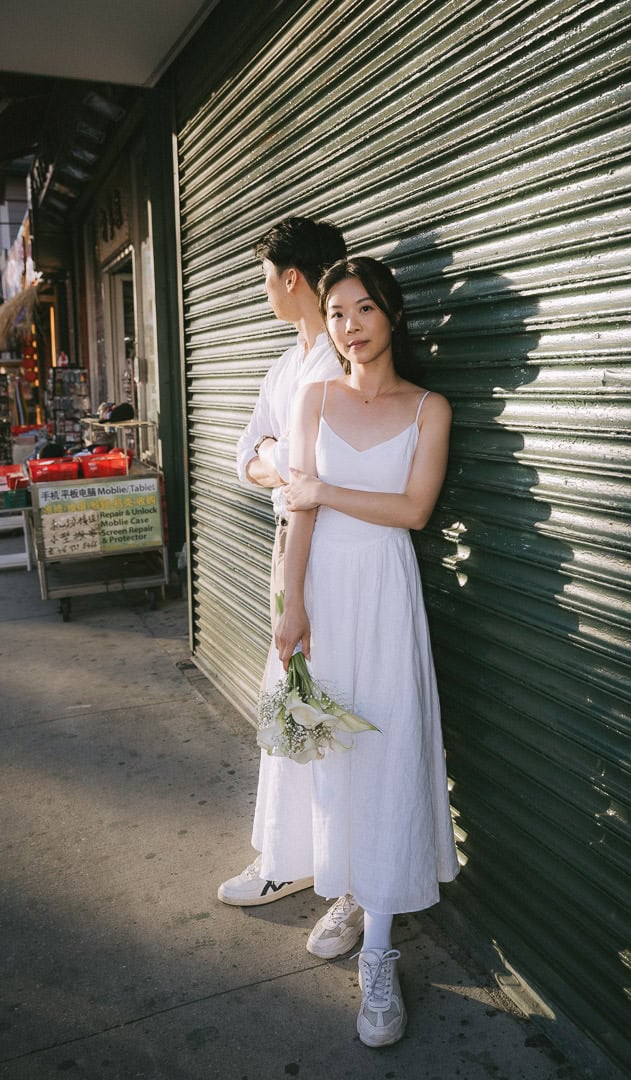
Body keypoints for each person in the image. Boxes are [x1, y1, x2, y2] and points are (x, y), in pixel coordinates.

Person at [260, 256, 459, 1047]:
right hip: (325, 595)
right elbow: (297, 514)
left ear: (393, 316)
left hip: (385, 589)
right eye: (336, 312)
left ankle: (380, 954)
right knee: (331, 751)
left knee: (384, 750)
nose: (349, 325)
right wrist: (289, 601)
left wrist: (320, 490)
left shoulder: (428, 408)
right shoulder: (313, 396)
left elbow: (412, 510)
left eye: (365, 308)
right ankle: (349, 887)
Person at [218, 216, 348, 913]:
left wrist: (281, 462)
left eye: (265, 276)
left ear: (289, 276)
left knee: (329, 707)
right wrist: (276, 462)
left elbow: (319, 471)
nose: (263, 288)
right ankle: (288, 854)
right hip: (284, 551)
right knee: (289, 709)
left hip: (332, 557)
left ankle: (344, 870)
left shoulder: (341, 361)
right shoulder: (283, 367)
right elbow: (246, 458)